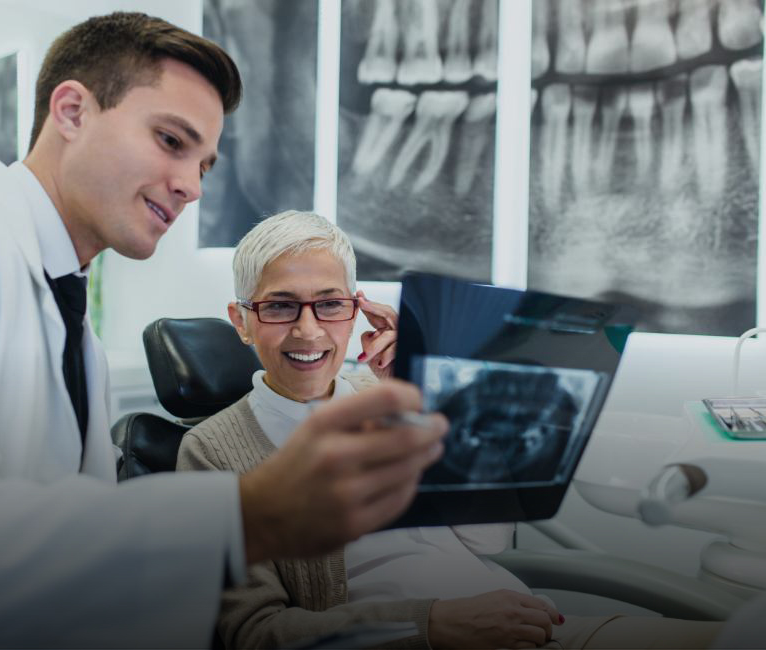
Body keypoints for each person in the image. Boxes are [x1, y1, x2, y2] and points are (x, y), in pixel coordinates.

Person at [0, 13, 447, 648]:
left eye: (205, 164)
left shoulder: (70, 324)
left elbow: (74, 576)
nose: (192, 187)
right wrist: (248, 517)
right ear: (71, 111)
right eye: (172, 141)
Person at [177, 210, 726, 650]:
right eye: (279, 307)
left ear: (355, 310)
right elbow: (258, 633)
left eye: (329, 304)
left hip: (539, 628)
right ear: (242, 320)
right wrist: (433, 625)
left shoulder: (387, 395)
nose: (308, 329)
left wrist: (433, 396)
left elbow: (485, 540)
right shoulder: (212, 451)